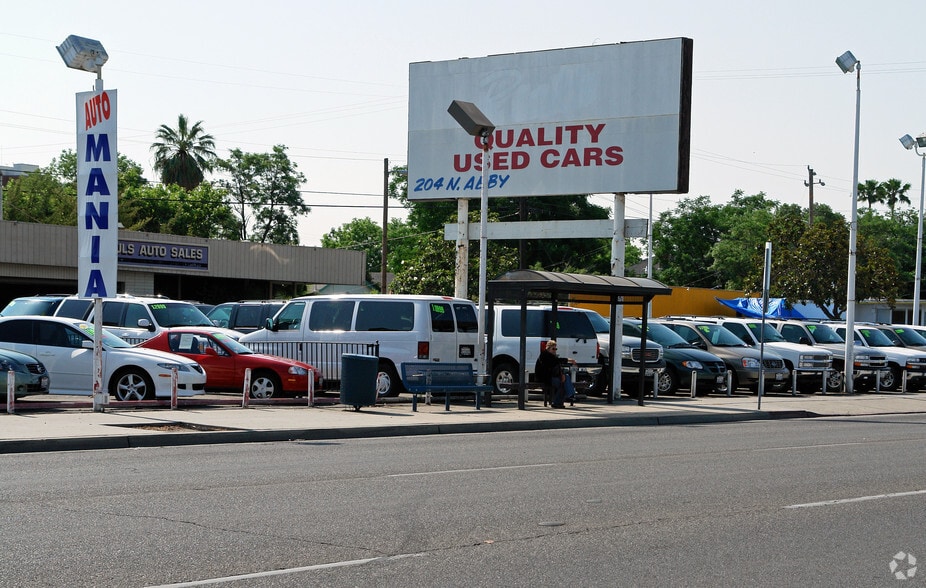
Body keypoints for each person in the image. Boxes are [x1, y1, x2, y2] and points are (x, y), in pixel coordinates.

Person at [535, 340, 566, 408]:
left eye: (555, 349)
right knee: (561, 384)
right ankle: (557, 402)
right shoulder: (544, 355)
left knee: (565, 380)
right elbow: (553, 364)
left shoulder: (552, 356)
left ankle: (560, 401)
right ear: (548, 348)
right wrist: (568, 360)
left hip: (550, 377)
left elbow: (557, 364)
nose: (555, 350)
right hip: (544, 378)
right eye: (553, 349)